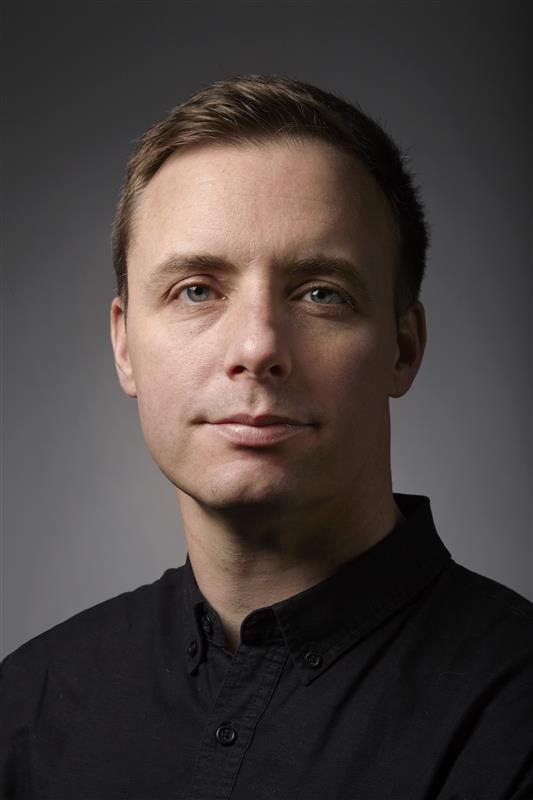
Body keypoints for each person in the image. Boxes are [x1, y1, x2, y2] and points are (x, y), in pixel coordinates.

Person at [1, 74, 532, 800]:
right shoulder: (27, 706)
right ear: (124, 347)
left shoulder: (515, 712)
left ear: (402, 349)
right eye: (196, 290)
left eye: (320, 293)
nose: (256, 347)